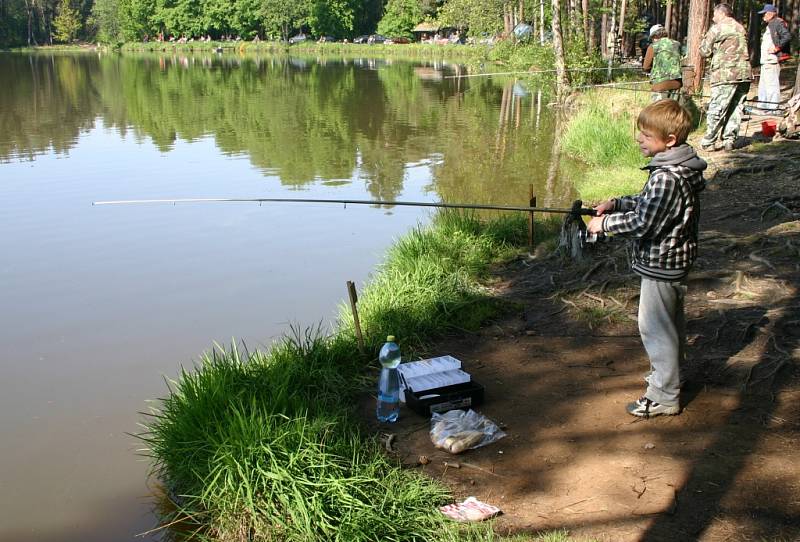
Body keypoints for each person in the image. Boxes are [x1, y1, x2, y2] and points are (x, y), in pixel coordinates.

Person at [587, 99, 707, 418]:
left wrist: (605, 224)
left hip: (662, 262)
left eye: (647, 135)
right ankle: (671, 378)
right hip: (671, 260)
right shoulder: (674, 166)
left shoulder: (668, 176)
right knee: (669, 325)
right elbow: (646, 204)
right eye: (639, 132)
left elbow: (644, 223)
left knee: (655, 328)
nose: (639, 138)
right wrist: (616, 203)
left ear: (669, 140)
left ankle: (664, 396)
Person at [698, 3, 752, 152]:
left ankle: (709, 141)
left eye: (714, 15)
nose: (713, 18)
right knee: (736, 108)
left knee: (717, 107)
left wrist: (704, 40)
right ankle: (729, 139)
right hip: (743, 73)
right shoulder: (740, 27)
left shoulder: (717, 28)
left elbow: (704, 51)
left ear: (721, 14)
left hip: (725, 74)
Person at [755, 4, 792, 113]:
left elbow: (787, 36)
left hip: (772, 60)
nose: (763, 16)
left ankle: (773, 107)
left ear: (771, 14)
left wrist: (776, 48)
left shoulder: (778, 23)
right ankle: (763, 106)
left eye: (764, 14)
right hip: (766, 61)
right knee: (764, 85)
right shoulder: (770, 24)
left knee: (772, 85)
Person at [642, 24, 683, 102]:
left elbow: (646, 67)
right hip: (677, 84)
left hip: (660, 85)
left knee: (657, 112)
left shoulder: (653, 46)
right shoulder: (677, 44)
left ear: (654, 36)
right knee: (673, 111)